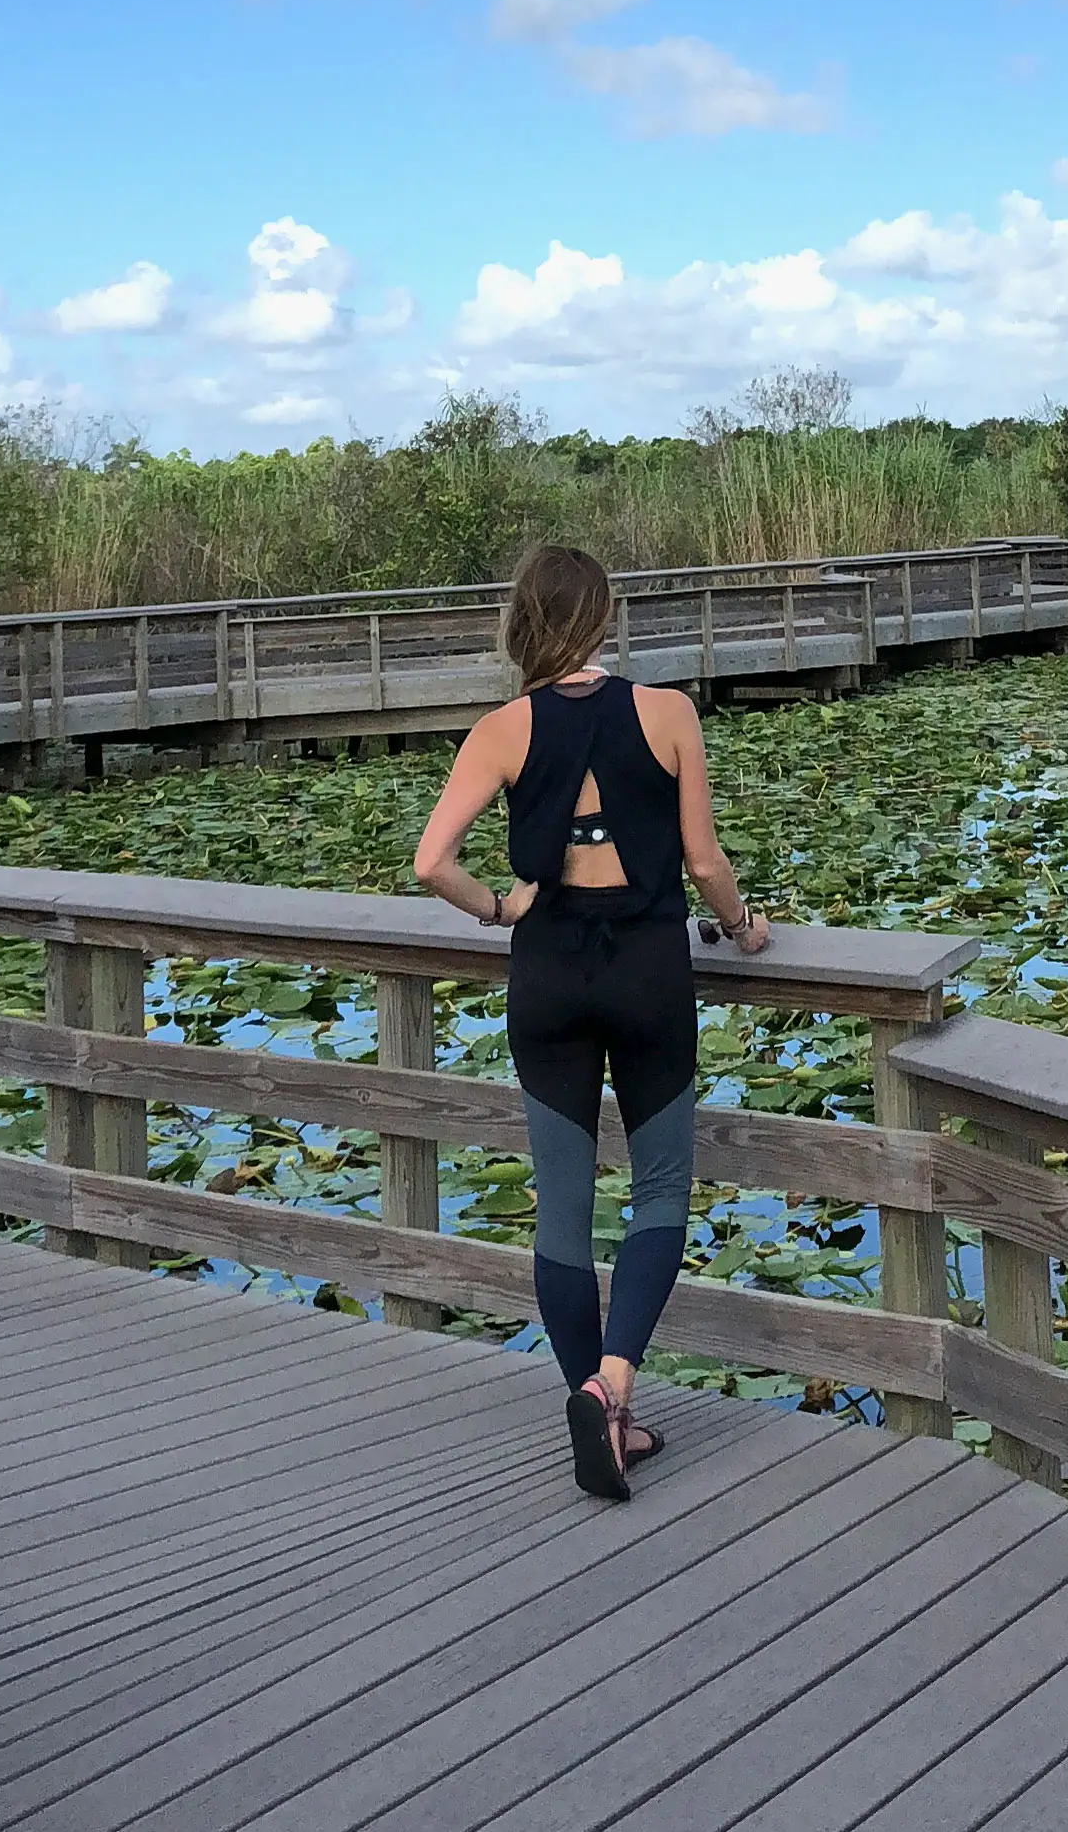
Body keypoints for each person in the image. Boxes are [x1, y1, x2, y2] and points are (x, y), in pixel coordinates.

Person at [414, 544, 771, 1502]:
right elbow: (702, 859)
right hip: (650, 969)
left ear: (524, 622)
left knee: (562, 1206)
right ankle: (614, 1388)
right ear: (604, 617)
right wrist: (743, 928)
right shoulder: (668, 712)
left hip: (549, 972)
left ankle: (594, 1405)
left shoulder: (501, 727)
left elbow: (430, 862)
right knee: (659, 1188)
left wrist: (497, 907)